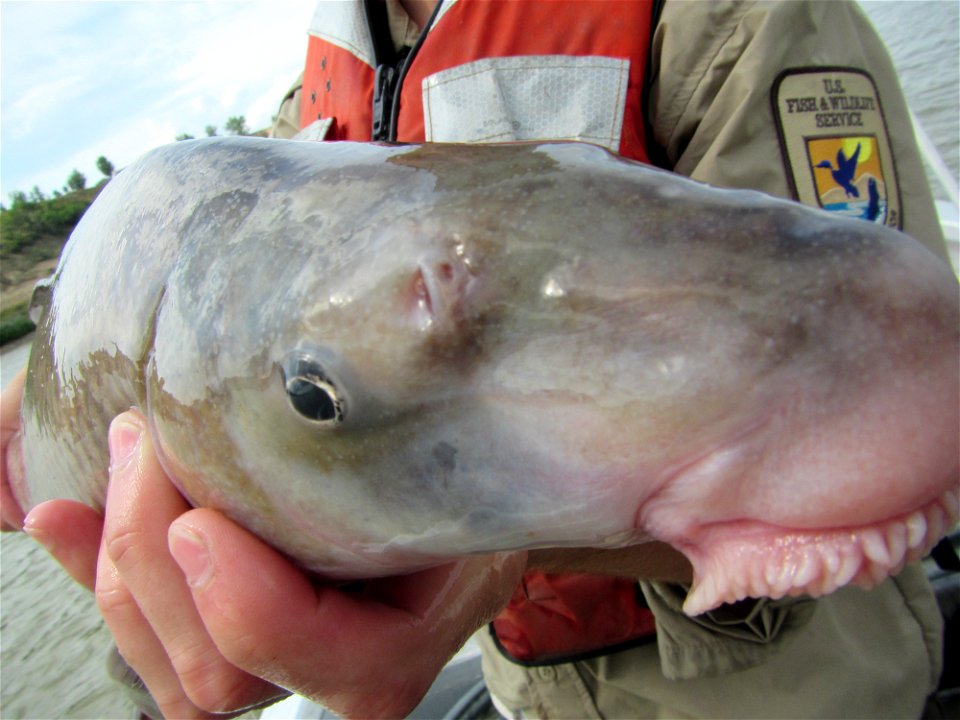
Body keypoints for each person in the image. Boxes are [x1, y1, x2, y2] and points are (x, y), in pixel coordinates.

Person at [1, 1, 951, 717]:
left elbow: (888, 370)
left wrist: (473, 560)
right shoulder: (317, 89)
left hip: (792, 689)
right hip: (529, 690)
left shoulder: (729, 19)